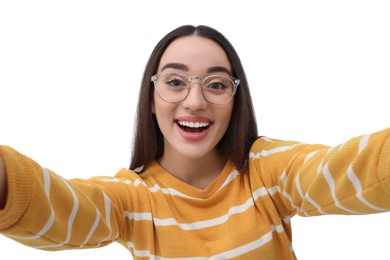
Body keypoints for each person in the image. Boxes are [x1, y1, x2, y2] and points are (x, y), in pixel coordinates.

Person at [0, 24, 389, 260]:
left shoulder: (267, 169)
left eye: (217, 84)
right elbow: (64, 211)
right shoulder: (132, 197)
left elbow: (341, 174)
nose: (196, 100)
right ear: (150, 100)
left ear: (235, 102)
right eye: (174, 81)